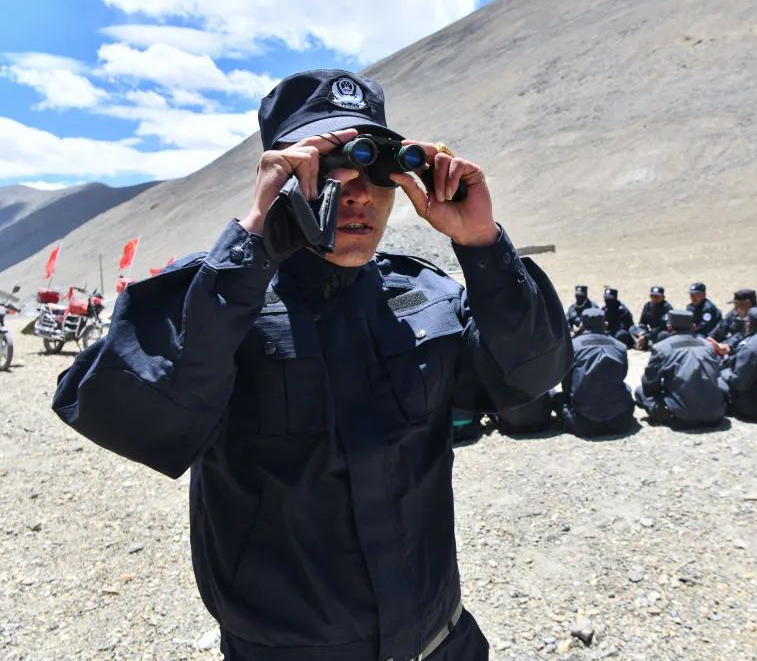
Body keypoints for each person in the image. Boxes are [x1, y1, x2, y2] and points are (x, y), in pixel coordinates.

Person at [52, 69, 571, 661]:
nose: (358, 193)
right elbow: (126, 414)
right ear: (280, 177)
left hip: (440, 640)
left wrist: (483, 244)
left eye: (376, 170)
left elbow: (532, 373)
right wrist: (252, 243)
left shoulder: (423, 296)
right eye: (327, 169)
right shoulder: (220, 298)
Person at [635, 310, 728, 427]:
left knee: (641, 391)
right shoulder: (708, 345)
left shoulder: (662, 347)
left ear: (669, 327)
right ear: (693, 327)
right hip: (715, 414)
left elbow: (649, 383)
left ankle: (665, 414)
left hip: (683, 417)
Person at [554, 307, 635, 437]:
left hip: (583, 423)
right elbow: (623, 374)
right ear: (605, 324)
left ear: (582, 325)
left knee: (558, 398)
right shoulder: (620, 346)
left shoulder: (573, 346)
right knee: (627, 389)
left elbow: (566, 383)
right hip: (619, 421)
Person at [709, 288, 757, 354]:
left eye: (737, 304)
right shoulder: (735, 313)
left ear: (747, 303)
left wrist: (728, 345)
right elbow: (721, 329)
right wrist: (710, 342)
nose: (735, 308)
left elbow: (745, 337)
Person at [630, 285, 672, 350]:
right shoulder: (648, 305)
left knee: (663, 335)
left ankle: (646, 343)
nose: (654, 298)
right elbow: (642, 322)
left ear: (663, 297)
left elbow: (663, 327)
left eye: (657, 296)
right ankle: (643, 342)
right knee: (632, 328)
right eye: (652, 296)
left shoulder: (666, 307)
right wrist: (642, 332)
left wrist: (646, 336)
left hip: (659, 332)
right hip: (649, 333)